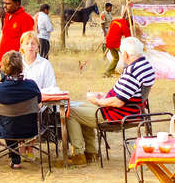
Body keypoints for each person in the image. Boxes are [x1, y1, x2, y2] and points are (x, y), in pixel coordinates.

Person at [66, 37, 155, 165]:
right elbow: (126, 93)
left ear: (125, 54)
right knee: (78, 105)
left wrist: (98, 101)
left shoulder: (132, 71)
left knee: (71, 112)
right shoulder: (145, 65)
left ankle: (79, 155)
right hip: (132, 110)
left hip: (116, 115)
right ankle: (90, 152)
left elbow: (119, 102)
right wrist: (104, 96)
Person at [0, 51, 41, 169]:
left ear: (3, 68)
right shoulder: (32, 86)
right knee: (12, 119)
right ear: (21, 67)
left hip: (6, 131)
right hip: (30, 130)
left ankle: (15, 159)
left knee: (6, 119)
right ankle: (16, 157)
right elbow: (39, 104)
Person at [0, 0, 34, 72]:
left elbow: (28, 44)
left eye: (8, 3)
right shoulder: (7, 16)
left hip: (16, 66)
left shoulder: (26, 19)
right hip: (4, 63)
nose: (4, 6)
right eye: (3, 3)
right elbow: (5, 40)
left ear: (17, 4)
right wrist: (0, 60)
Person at [104, 11, 131, 77]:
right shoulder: (126, 27)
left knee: (115, 58)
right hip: (115, 43)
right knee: (127, 54)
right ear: (129, 22)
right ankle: (126, 71)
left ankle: (108, 73)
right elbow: (129, 39)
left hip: (108, 41)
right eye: (130, 24)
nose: (130, 26)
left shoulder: (116, 20)